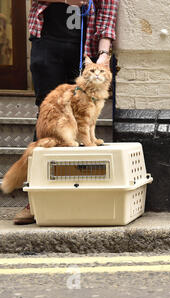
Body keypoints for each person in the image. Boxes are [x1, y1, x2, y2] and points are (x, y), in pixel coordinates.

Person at [13, 0, 118, 225]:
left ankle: (81, 198)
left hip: (86, 48)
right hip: (48, 42)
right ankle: (35, 199)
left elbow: (108, 10)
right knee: (48, 113)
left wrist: (104, 53)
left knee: (85, 116)